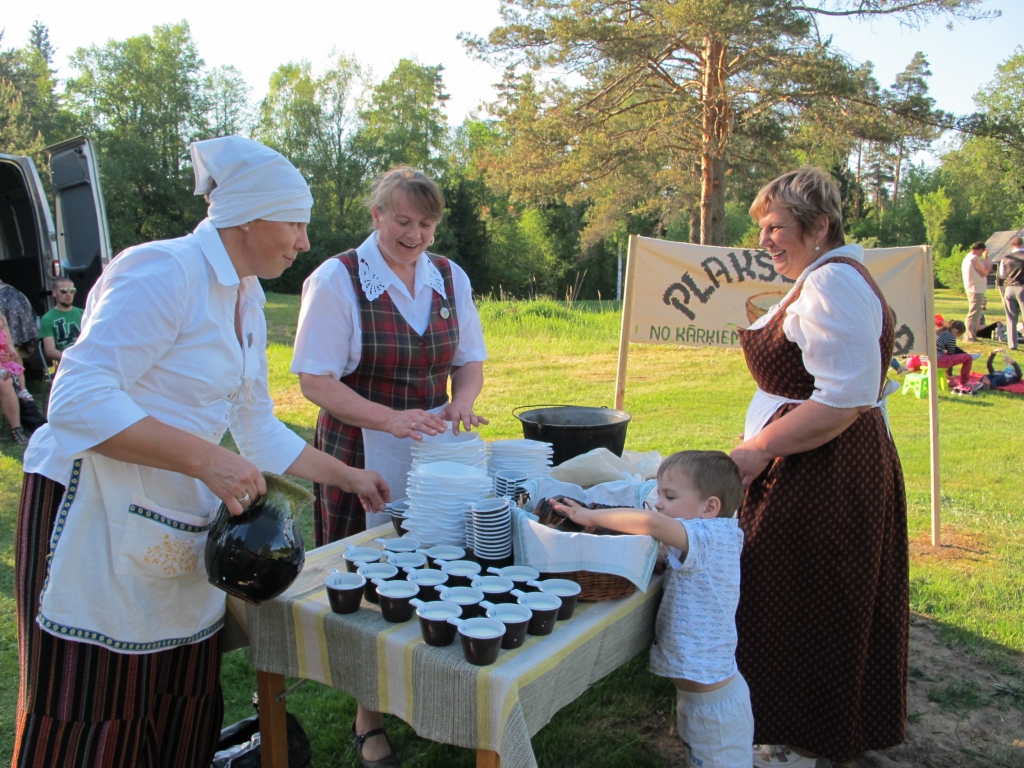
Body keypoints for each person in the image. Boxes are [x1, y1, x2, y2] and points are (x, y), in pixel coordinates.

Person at [13, 136, 390, 768]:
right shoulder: (164, 271)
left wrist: (347, 476)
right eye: (295, 224)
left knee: (176, 706)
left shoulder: (246, 297)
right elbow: (76, 399)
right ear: (248, 217)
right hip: (94, 515)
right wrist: (208, 461)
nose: (303, 242)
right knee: (96, 713)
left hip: (168, 515)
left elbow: (257, 429)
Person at [292, 166, 488, 767]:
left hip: (434, 453)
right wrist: (389, 419)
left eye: (426, 224)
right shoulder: (338, 279)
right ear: (376, 215)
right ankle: (368, 716)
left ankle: (433, 687)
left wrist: (463, 401)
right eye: (403, 220)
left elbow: (469, 359)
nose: (415, 235)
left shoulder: (449, 276)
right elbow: (315, 381)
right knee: (372, 584)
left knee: (442, 565)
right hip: (360, 450)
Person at [729, 167, 908, 766]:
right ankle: (791, 729)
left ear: (820, 225)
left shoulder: (834, 283)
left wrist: (758, 449)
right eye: (763, 228)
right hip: (810, 462)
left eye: (777, 227)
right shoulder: (822, 278)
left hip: (827, 470)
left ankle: (805, 739)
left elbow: (843, 400)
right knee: (793, 593)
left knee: (812, 597)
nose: (765, 240)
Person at [555, 451, 752, 768]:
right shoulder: (712, 535)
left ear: (710, 507)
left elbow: (650, 522)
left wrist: (591, 516)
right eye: (659, 494)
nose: (658, 503)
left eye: (669, 496)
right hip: (701, 699)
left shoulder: (709, 536)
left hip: (715, 710)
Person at [39, 277, 84, 365]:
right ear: (54, 293)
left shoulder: (84, 313)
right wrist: (72, 360)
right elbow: (50, 351)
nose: (69, 294)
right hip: (67, 363)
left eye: (72, 291)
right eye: (64, 291)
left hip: (87, 358)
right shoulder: (47, 318)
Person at [0, 311, 29, 444]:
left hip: (2, 365)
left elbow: (9, 344)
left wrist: (10, 353)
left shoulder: (1, 317)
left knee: (5, 382)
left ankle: (16, 429)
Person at [961, 241, 991, 341]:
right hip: (975, 289)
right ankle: (969, 336)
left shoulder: (968, 257)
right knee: (973, 312)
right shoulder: (974, 258)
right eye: (982, 252)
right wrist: (986, 259)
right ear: (981, 250)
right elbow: (984, 272)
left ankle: (972, 334)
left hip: (972, 288)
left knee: (976, 312)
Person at [998, 236, 1024, 350]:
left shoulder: (1005, 258)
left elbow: (1002, 275)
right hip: (1022, 287)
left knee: (1011, 317)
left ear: (1012, 246)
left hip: (1009, 288)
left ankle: (1012, 344)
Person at [936, 319, 975, 392]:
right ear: (957, 331)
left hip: (924, 360)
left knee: (944, 355)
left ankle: (948, 378)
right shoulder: (951, 337)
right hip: (937, 361)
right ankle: (964, 382)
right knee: (969, 358)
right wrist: (950, 375)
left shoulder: (938, 331)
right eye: (958, 335)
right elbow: (951, 356)